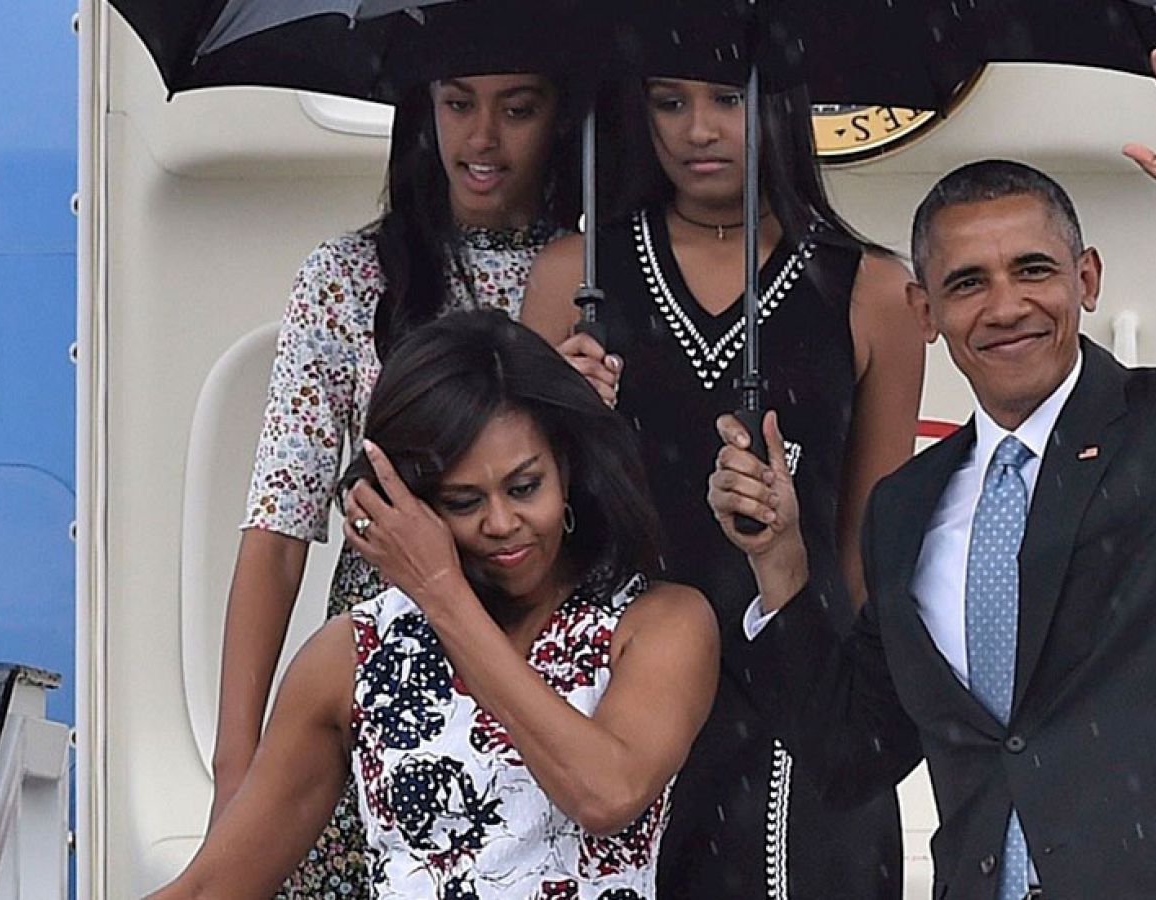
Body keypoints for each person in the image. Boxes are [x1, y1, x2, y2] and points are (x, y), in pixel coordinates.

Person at [707, 25, 1156, 899]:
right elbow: (852, 756)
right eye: (966, 282)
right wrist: (782, 568)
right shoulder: (906, 507)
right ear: (924, 310)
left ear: (1087, 279)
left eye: (1033, 270)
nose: (1006, 306)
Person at [154, 310, 719, 899]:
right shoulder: (353, 655)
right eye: (463, 501)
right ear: (411, 501)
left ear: (567, 469)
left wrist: (442, 591)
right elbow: (210, 890)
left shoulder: (659, 623)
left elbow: (606, 793)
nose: (502, 523)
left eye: (525, 487)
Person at [521, 75, 925, 897]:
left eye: (726, 100)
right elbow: (521, 524)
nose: (697, 129)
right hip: (616, 692)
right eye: (669, 102)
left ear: (779, 104)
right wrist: (556, 417)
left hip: (800, 699)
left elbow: (870, 544)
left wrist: (818, 682)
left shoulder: (874, 288)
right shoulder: (573, 276)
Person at [215, 71, 583, 896]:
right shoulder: (348, 276)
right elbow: (279, 527)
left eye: (518, 108)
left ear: (564, 118)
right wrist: (236, 764)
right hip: (376, 668)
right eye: (457, 104)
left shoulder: (605, 279)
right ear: (423, 114)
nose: (482, 138)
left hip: (549, 670)